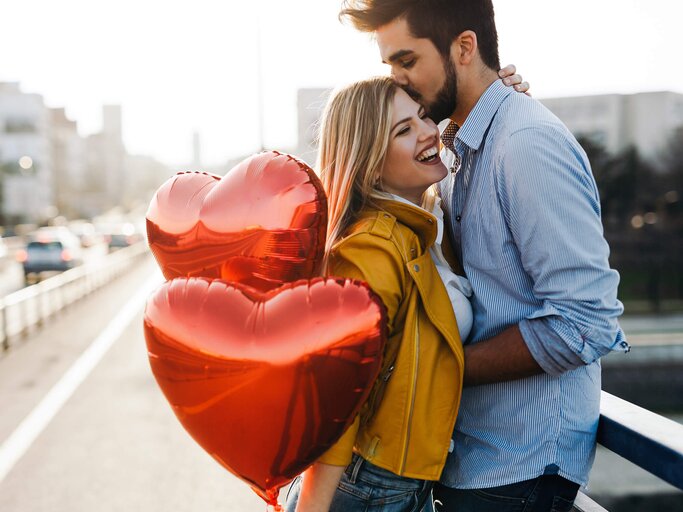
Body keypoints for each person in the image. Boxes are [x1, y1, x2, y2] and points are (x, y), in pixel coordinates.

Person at [338, 1, 629, 511]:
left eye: (406, 61)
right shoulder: (456, 148)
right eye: (390, 67)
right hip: (467, 459)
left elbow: (586, 322)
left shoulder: (525, 144)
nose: (399, 81)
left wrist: (438, 370)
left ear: (464, 48)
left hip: (520, 470)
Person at [285, 69, 527, 512]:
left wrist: (503, 106)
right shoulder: (371, 249)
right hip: (363, 490)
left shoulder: (423, 228)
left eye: (422, 116)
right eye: (403, 129)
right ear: (370, 159)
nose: (428, 131)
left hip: (399, 488)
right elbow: (337, 398)